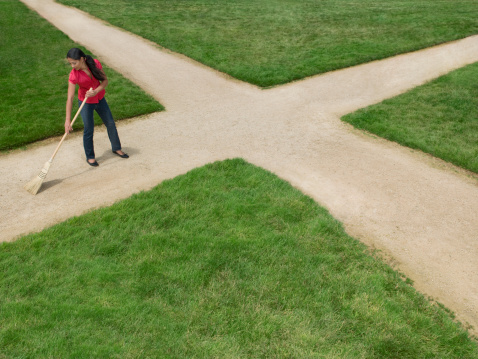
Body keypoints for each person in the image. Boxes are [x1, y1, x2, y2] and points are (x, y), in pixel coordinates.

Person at [65, 48, 128, 166]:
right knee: (89, 129)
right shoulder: (74, 74)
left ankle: (116, 148)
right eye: (70, 63)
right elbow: (70, 98)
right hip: (85, 102)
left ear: (82, 59)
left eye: (74, 62)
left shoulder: (95, 63)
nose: (72, 66)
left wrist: (96, 91)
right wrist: (67, 120)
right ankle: (90, 157)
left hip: (99, 98)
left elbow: (105, 81)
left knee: (110, 123)